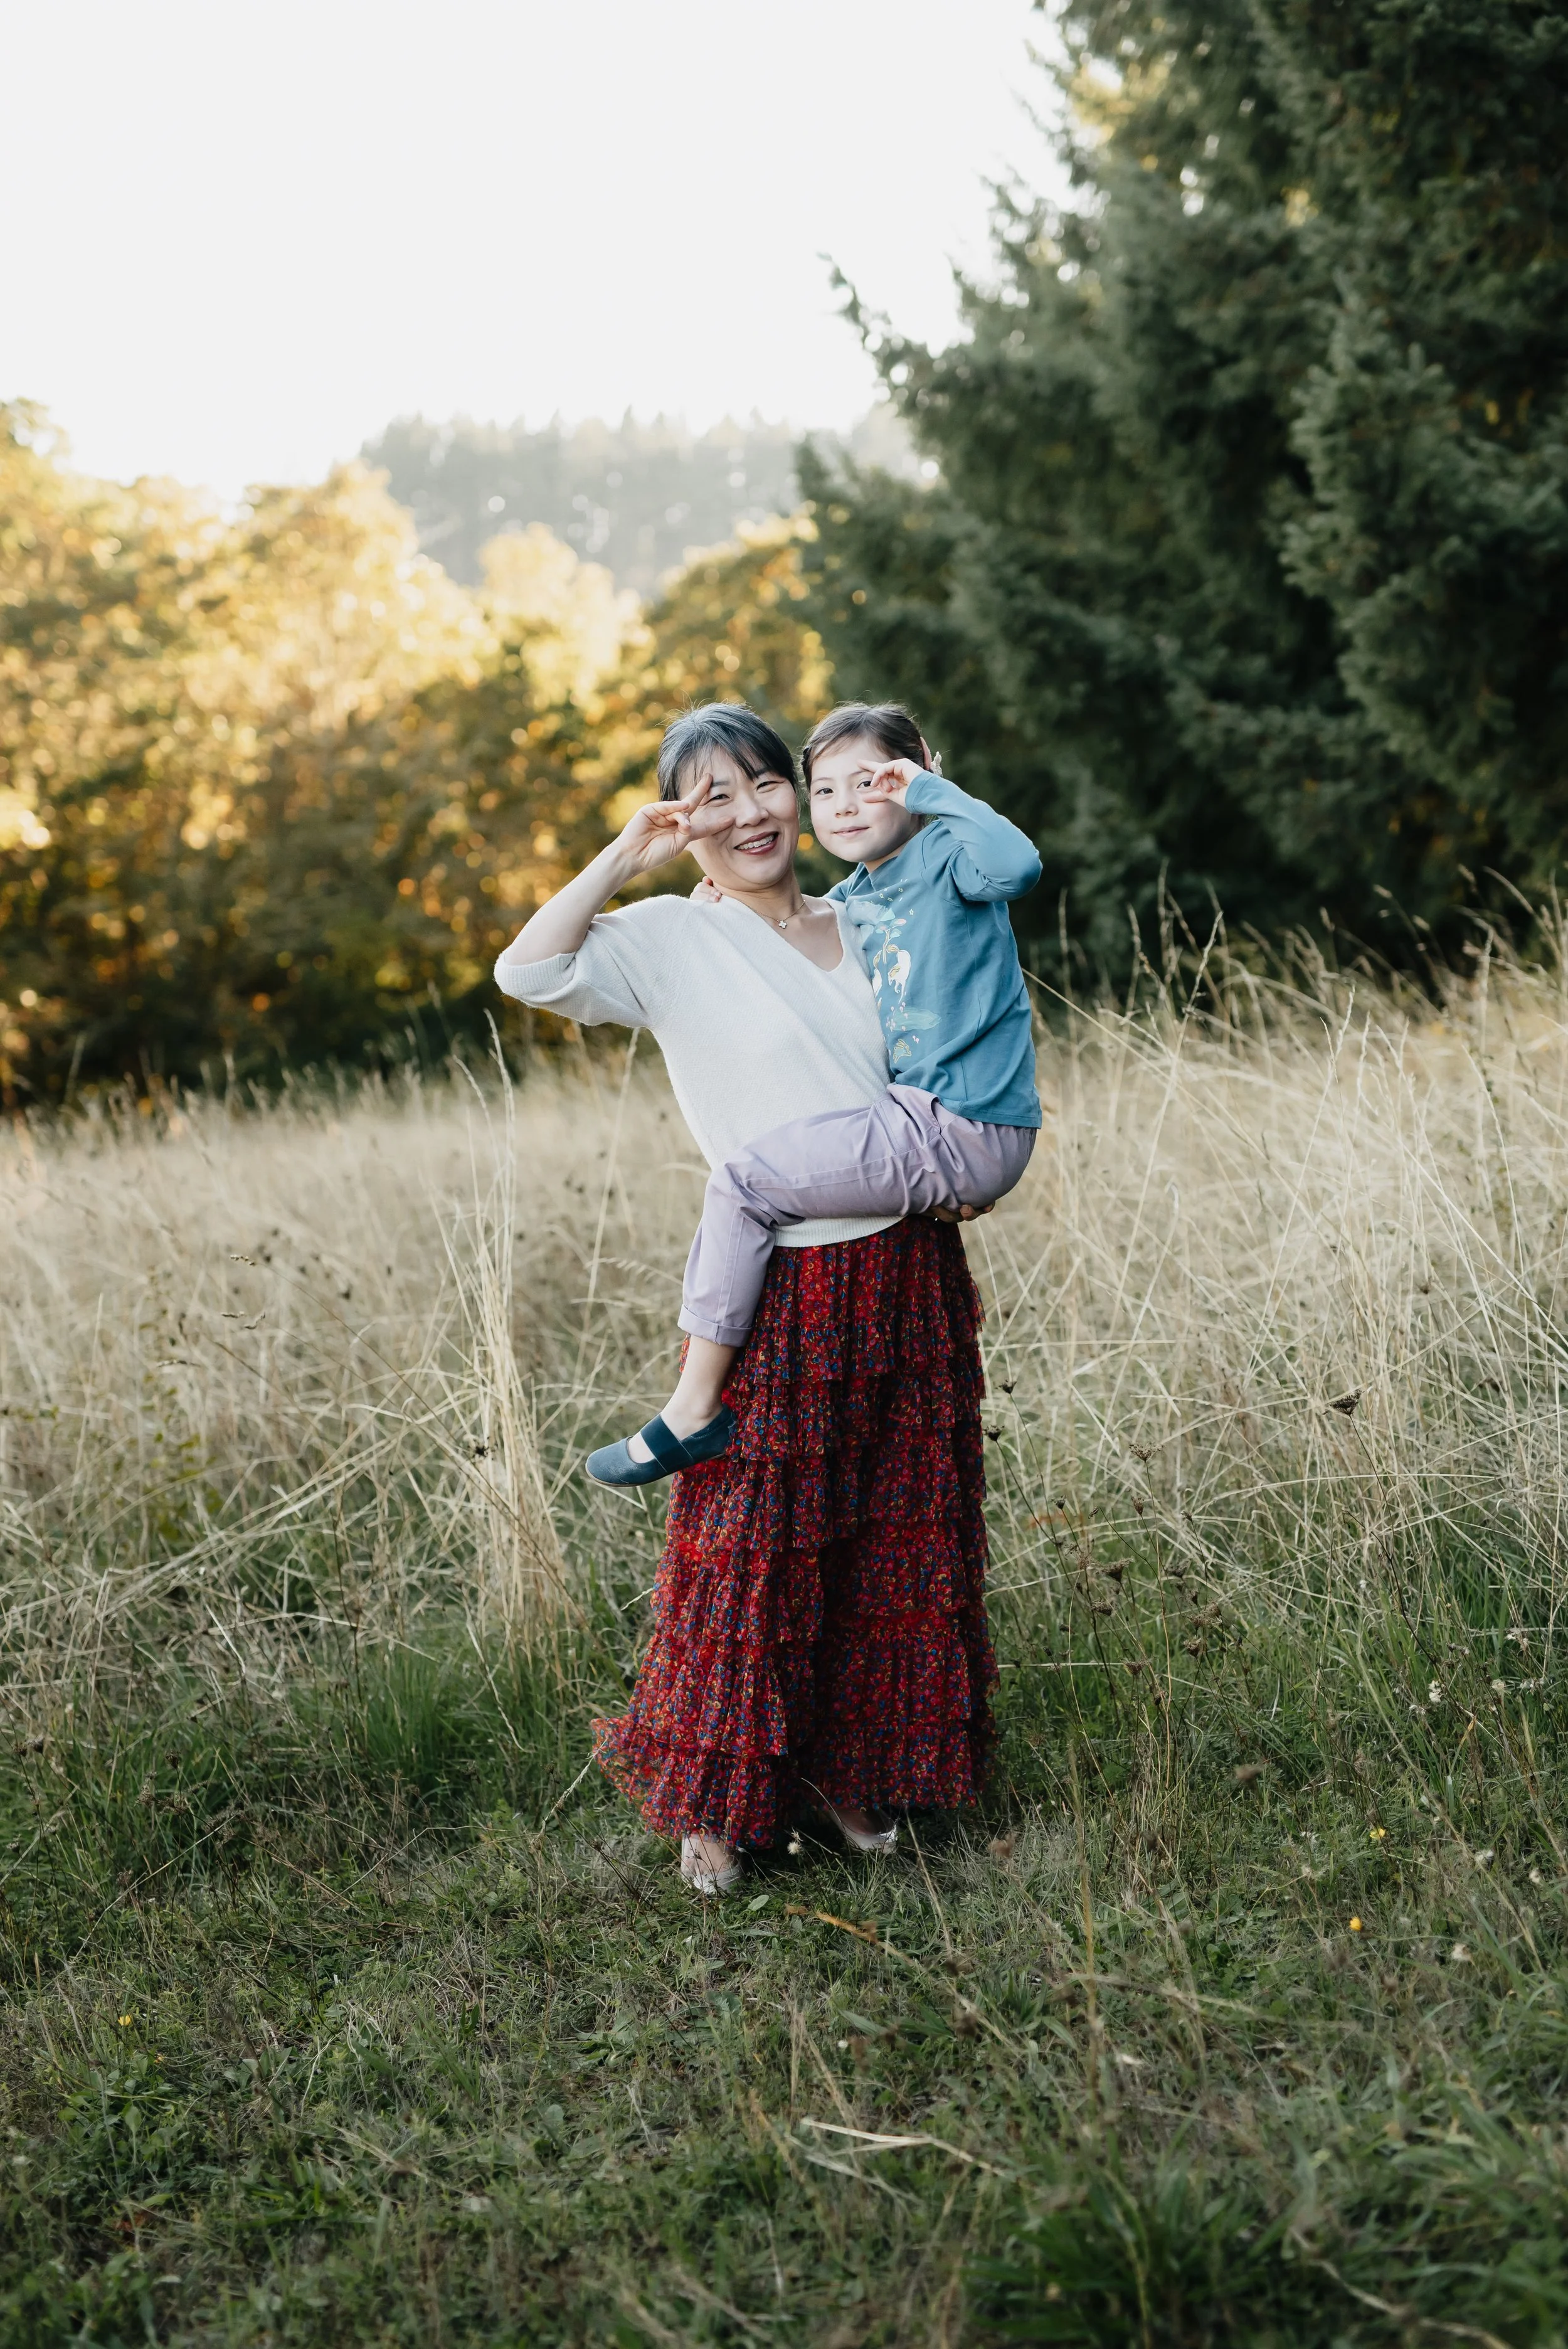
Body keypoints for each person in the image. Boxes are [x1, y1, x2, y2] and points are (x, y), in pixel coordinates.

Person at [494, 702, 1000, 1895]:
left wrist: (965, 1171)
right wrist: (626, 856)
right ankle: (718, 1809)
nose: (749, 814)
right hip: (779, 1285)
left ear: (800, 792)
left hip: (908, 1265)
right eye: (711, 797)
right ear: (685, 817)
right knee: (751, 1550)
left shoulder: (872, 917)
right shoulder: (671, 935)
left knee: (893, 1540)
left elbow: (945, 1058)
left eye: (765, 785)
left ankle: (845, 1779)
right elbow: (529, 969)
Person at [585, 700, 1041, 1490]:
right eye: (825, 790)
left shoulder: (949, 860)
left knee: (742, 1181)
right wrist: (684, 893)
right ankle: (694, 1406)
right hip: (919, 1140)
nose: (846, 805)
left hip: (957, 1134)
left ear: (917, 772)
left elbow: (1018, 866)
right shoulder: (857, 903)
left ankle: (692, 1410)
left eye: (869, 783)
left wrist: (932, 791)